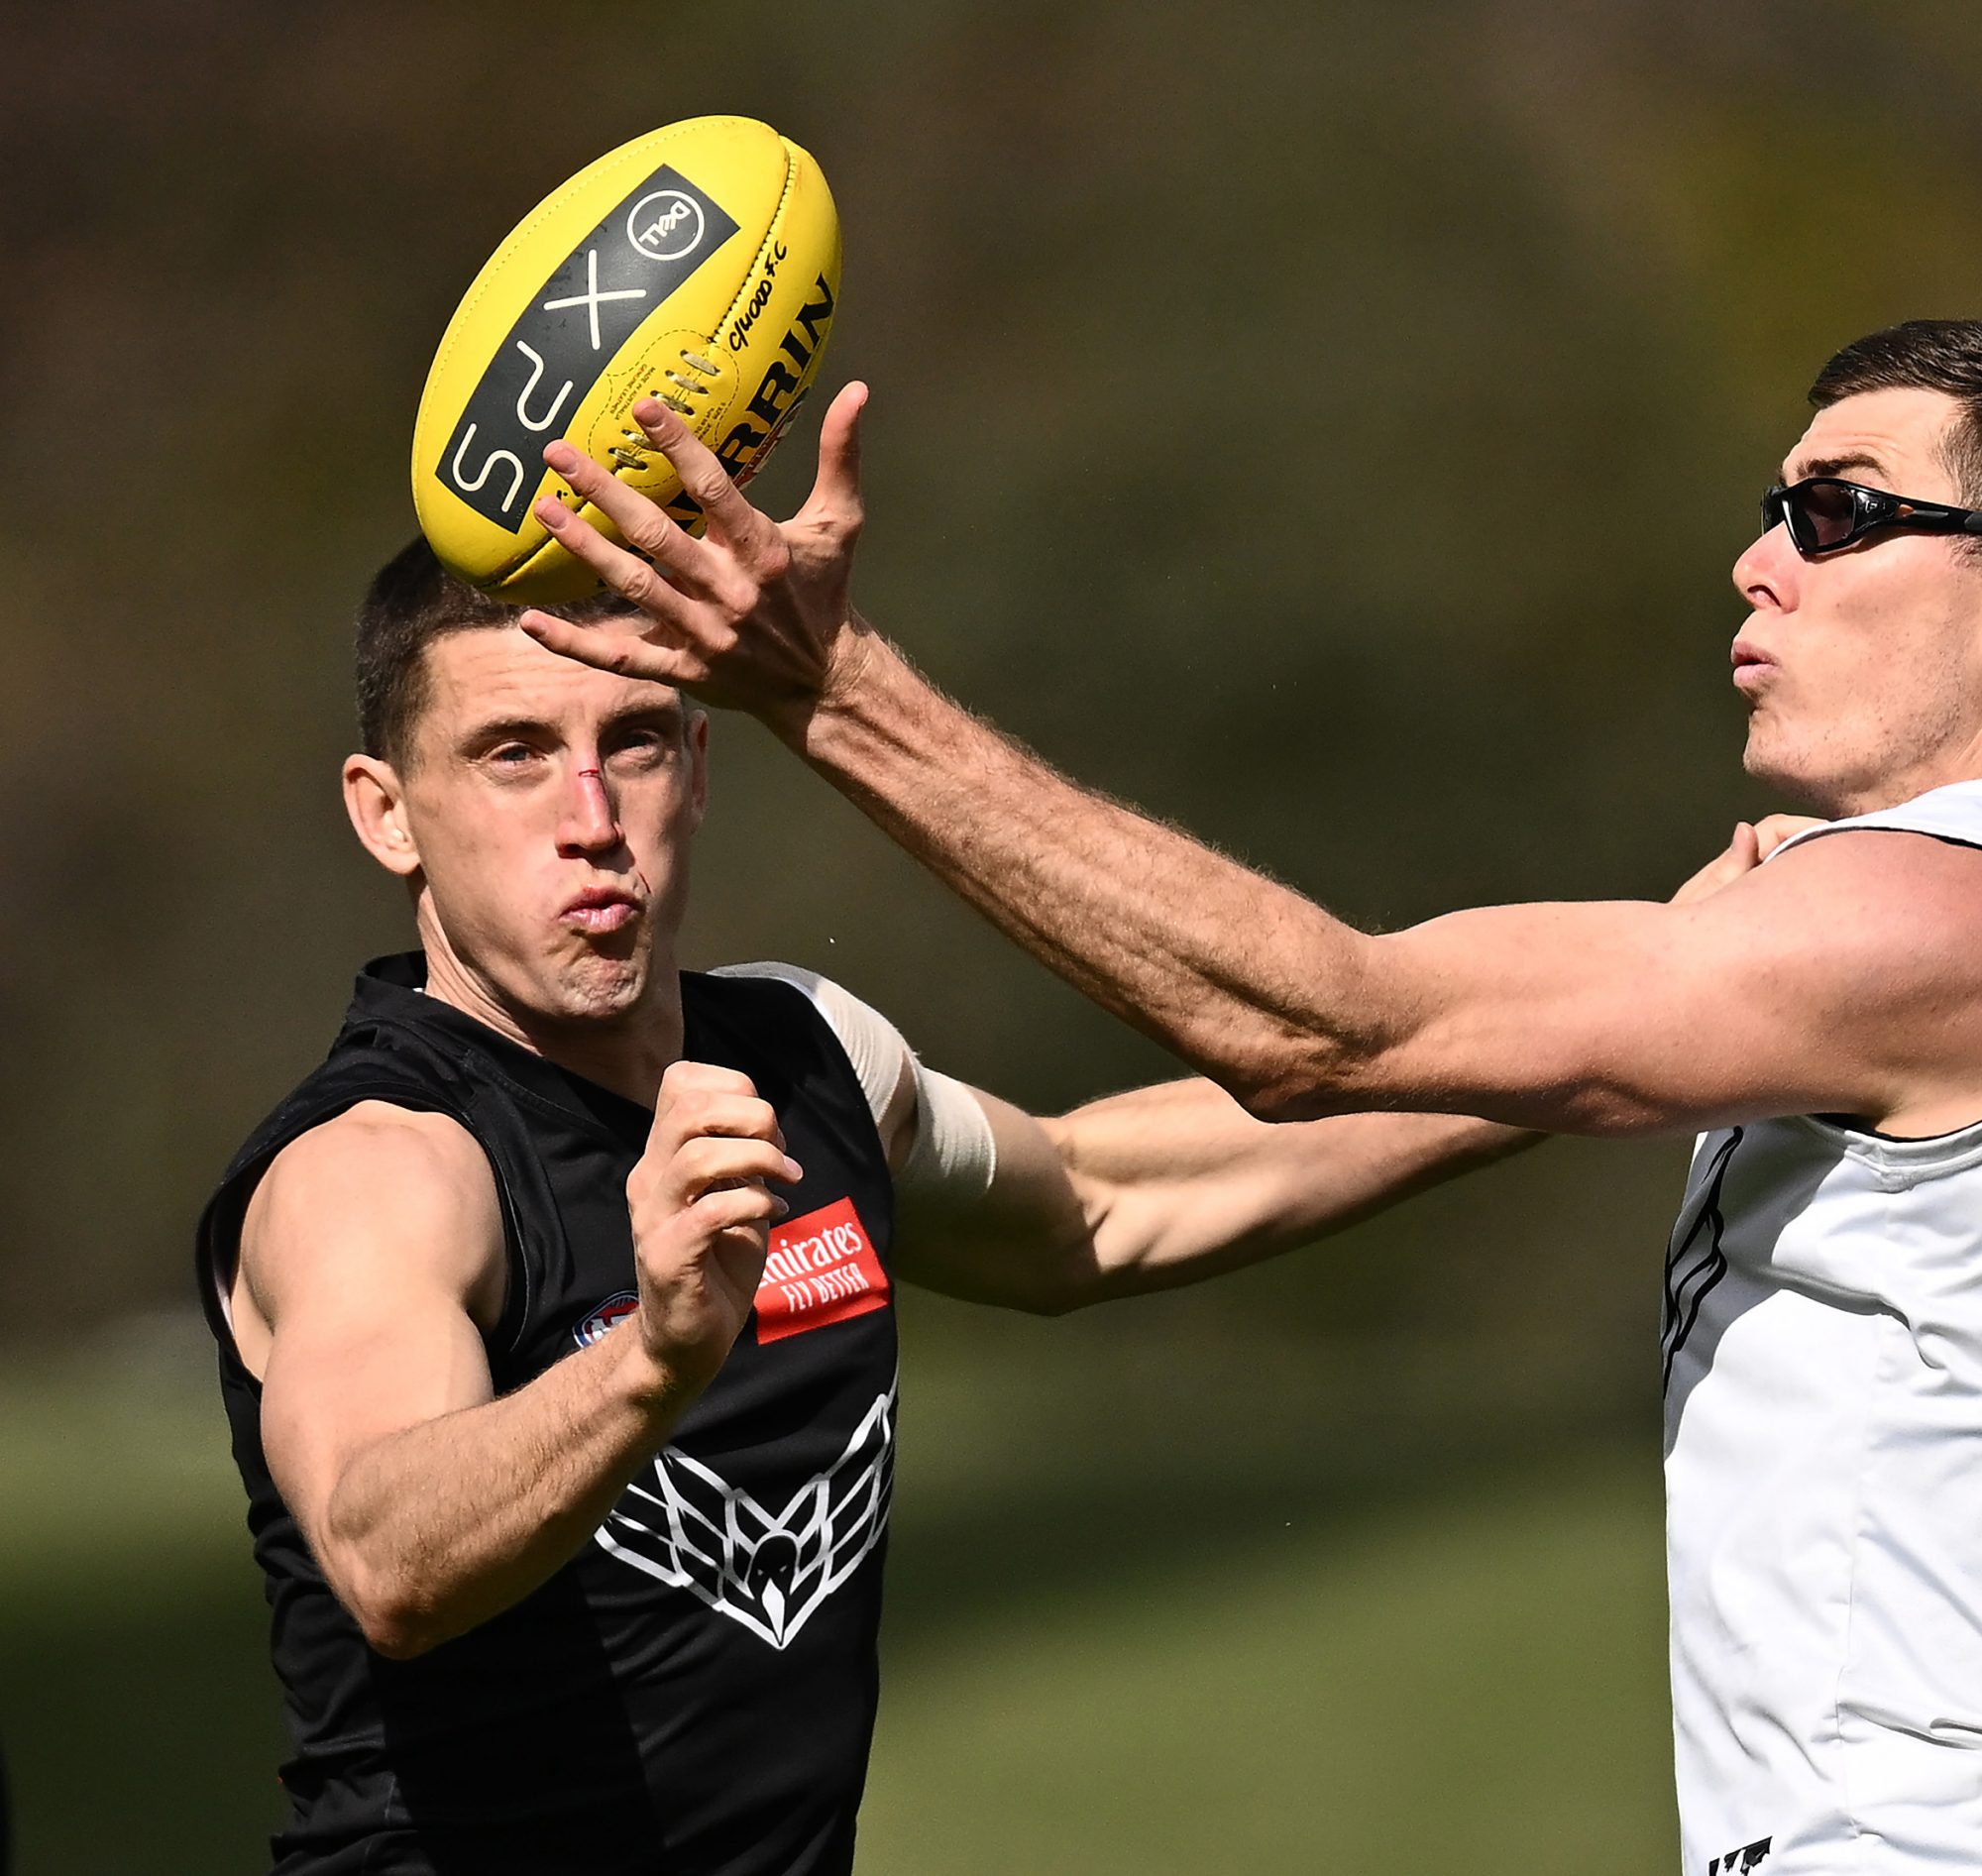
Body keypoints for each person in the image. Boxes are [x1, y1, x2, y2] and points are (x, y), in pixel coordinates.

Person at [522, 316, 1982, 1876]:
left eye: (1839, 514)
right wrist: (879, 1105)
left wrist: (828, 685)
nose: (1758, 559)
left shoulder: (1933, 915)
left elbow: (1322, 1025)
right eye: (1775, 507)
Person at [194, 541, 1543, 1874]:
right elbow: (389, 1555)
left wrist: (1582, 1057)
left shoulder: (808, 1053)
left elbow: (1097, 1198)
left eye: (640, 737)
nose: (592, 813)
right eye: (516, 752)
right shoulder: (380, 1169)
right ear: (386, 812)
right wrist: (652, 1358)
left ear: (702, 768)